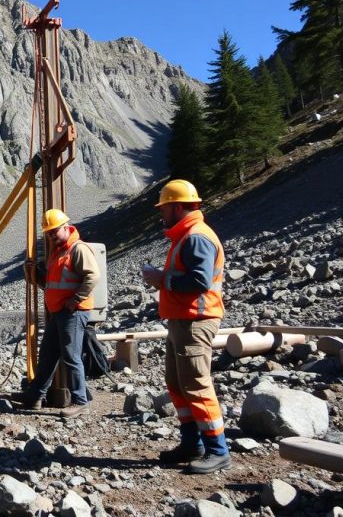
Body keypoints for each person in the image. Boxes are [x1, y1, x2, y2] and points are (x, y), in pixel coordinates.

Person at [141, 179, 232, 474]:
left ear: (178, 206)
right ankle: (191, 444)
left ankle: (218, 450)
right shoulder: (185, 236)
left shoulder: (196, 237)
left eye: (164, 207)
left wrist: (161, 279)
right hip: (182, 321)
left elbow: (199, 281)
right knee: (177, 383)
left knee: (195, 384)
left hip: (195, 321)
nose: (161, 213)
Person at [12, 208, 100, 417]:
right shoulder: (56, 254)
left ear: (66, 227)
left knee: (71, 356)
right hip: (59, 313)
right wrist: (32, 272)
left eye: (55, 231)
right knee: (48, 355)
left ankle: (80, 401)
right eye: (49, 233)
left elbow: (92, 277)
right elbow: (48, 284)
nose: (52, 235)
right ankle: (35, 397)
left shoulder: (78, 249)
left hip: (73, 312)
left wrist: (74, 300)